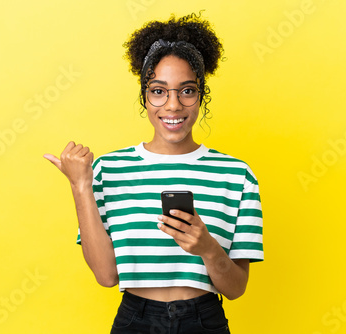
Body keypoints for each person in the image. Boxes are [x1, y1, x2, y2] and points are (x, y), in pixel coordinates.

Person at [44, 12, 263, 334]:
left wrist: (207, 248)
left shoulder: (236, 175)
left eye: (186, 91)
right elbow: (106, 276)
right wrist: (80, 186)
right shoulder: (108, 169)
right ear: (144, 97)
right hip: (136, 319)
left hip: (204, 320)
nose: (172, 105)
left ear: (201, 95)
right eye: (159, 91)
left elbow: (235, 288)